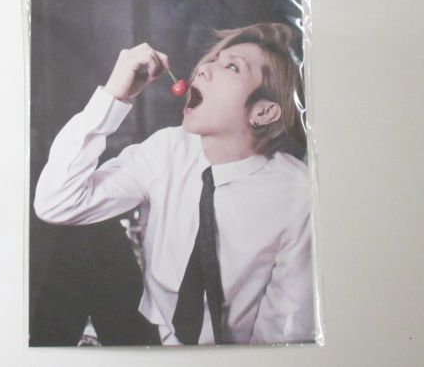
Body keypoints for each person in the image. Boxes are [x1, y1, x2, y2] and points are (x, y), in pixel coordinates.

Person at [34, 23, 315, 345]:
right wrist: (113, 95)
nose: (204, 68)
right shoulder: (168, 149)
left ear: (263, 112)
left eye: (232, 67)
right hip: (147, 330)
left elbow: (285, 331)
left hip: (224, 354)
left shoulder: (297, 194)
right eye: (214, 59)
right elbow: (57, 203)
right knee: (85, 237)